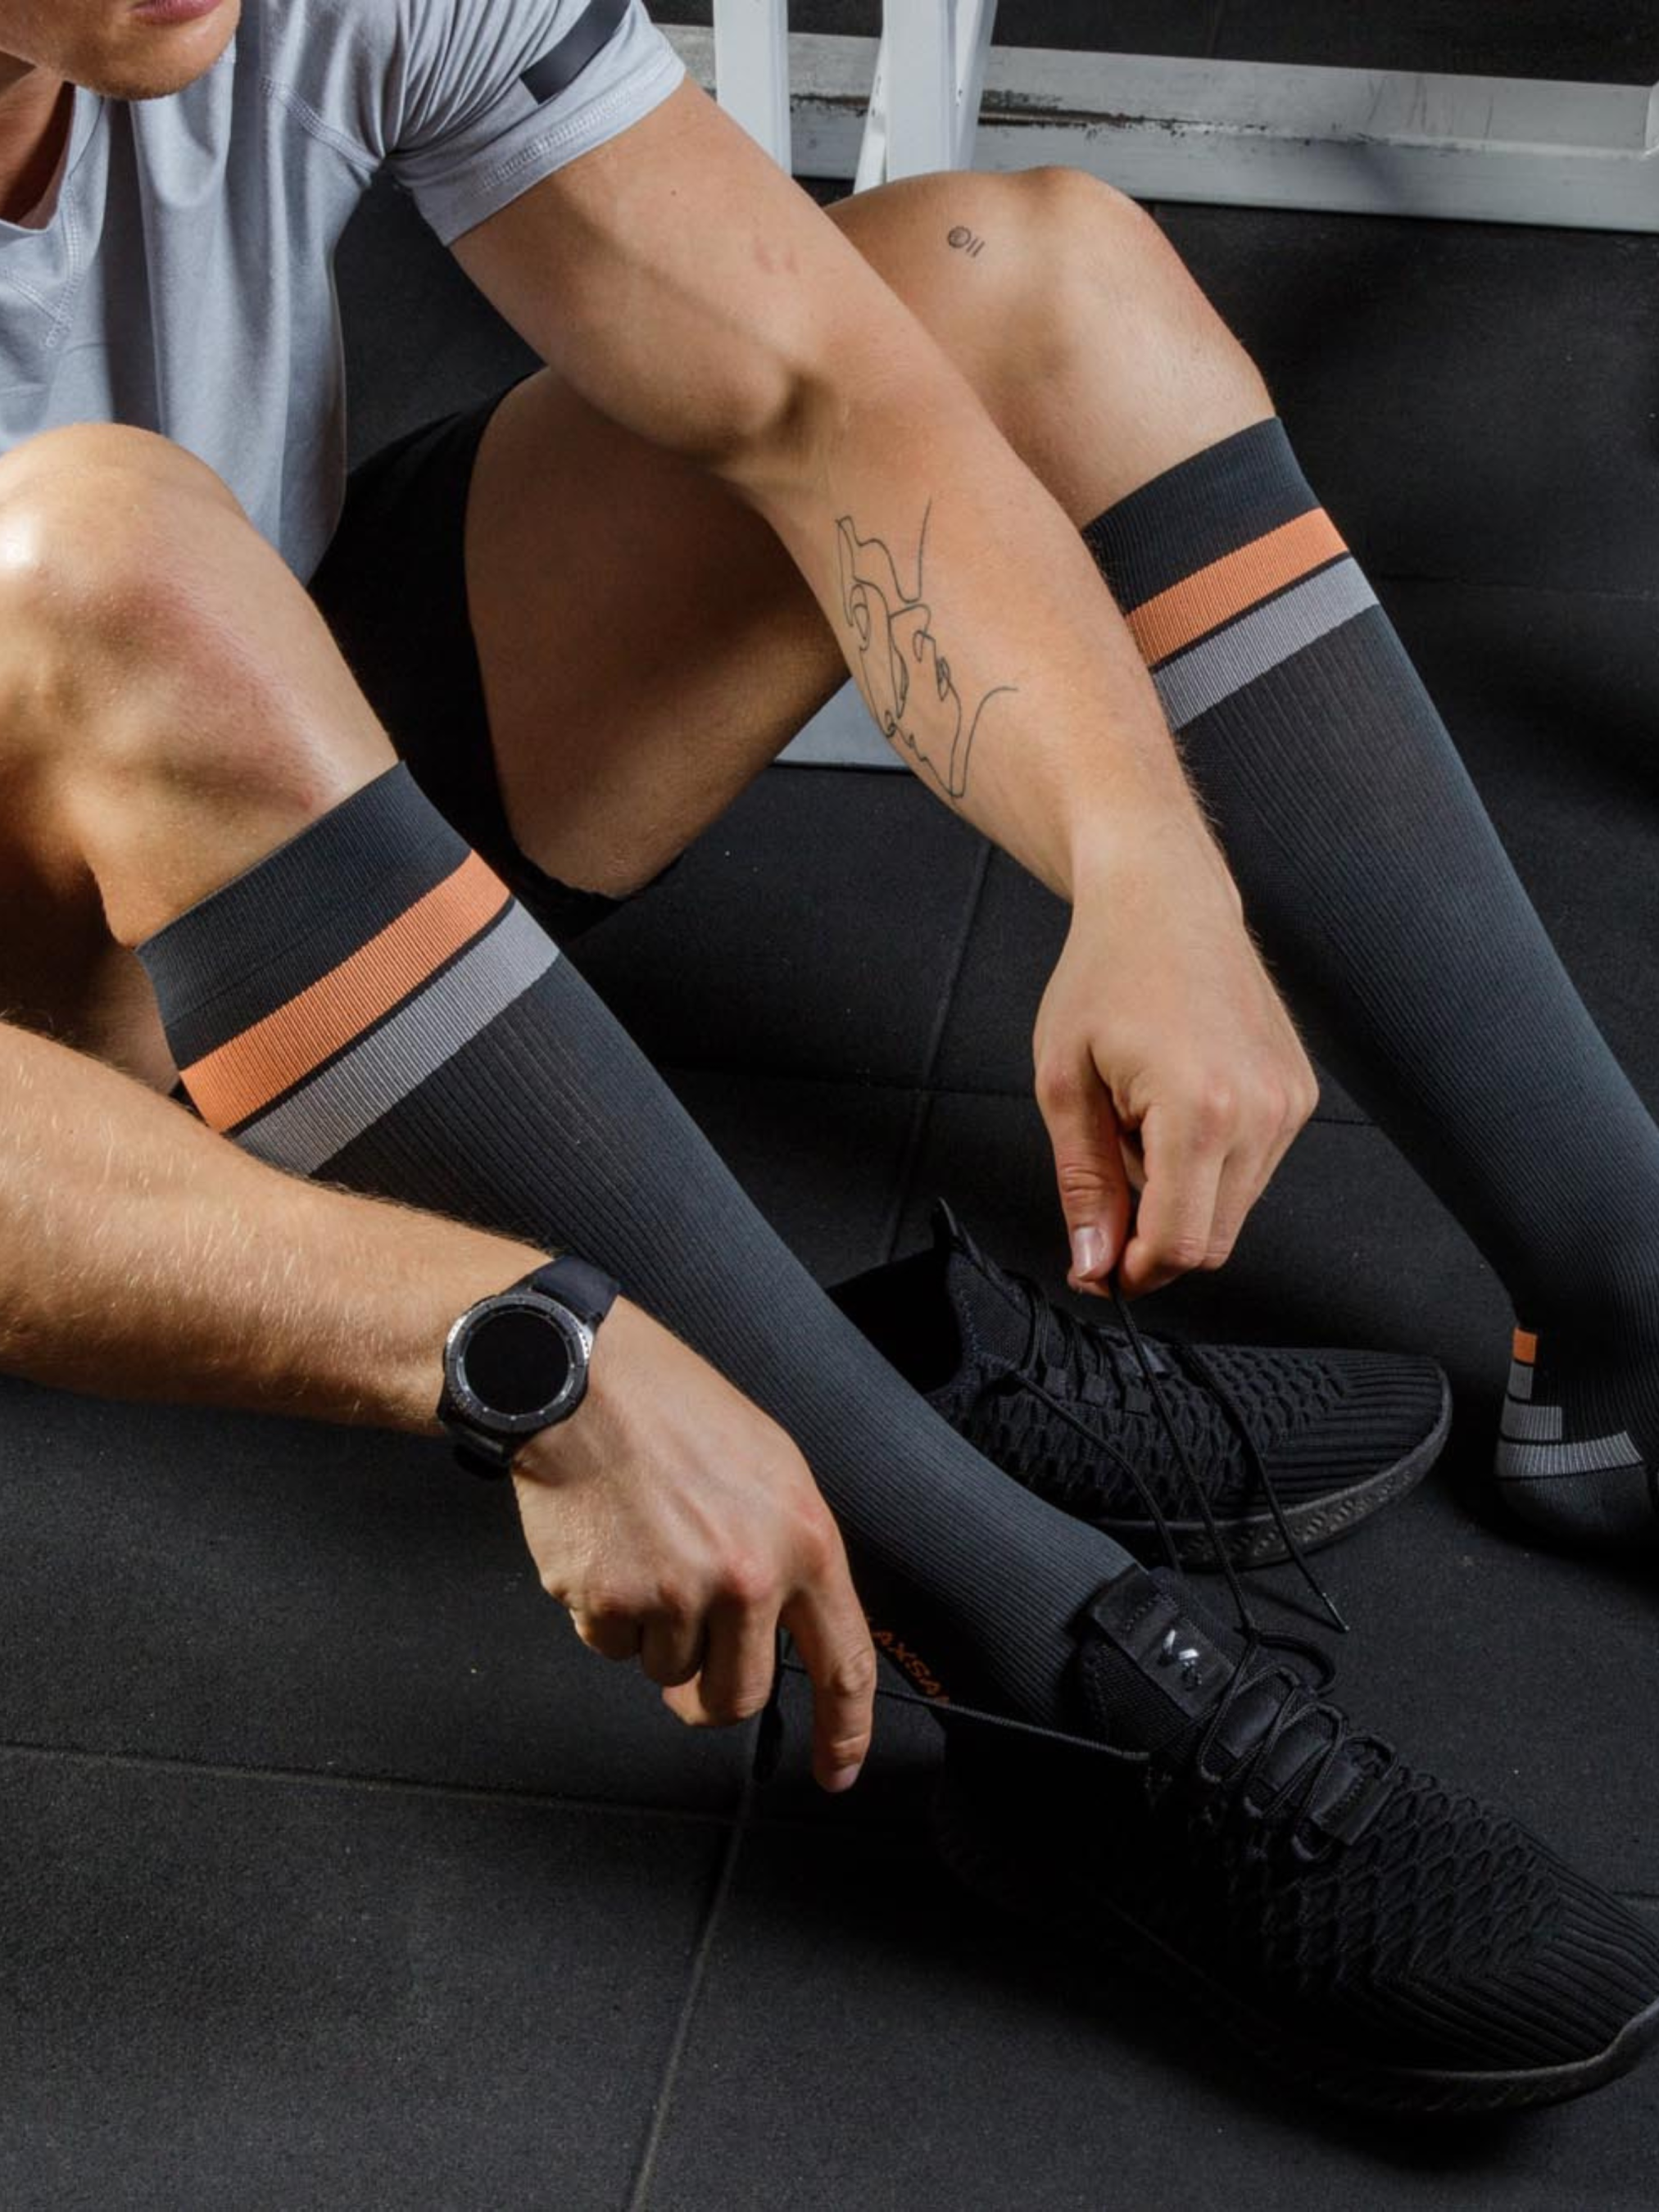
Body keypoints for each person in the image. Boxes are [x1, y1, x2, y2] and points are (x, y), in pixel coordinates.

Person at [3, 0, 1658, 2110]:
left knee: (1019, 282)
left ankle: (1625, 1304)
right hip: (56, 1068)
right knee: (108, 562)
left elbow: (822, 393)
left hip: (251, 746)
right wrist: (517, 1343)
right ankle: (1041, 1664)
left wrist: (1146, 859)